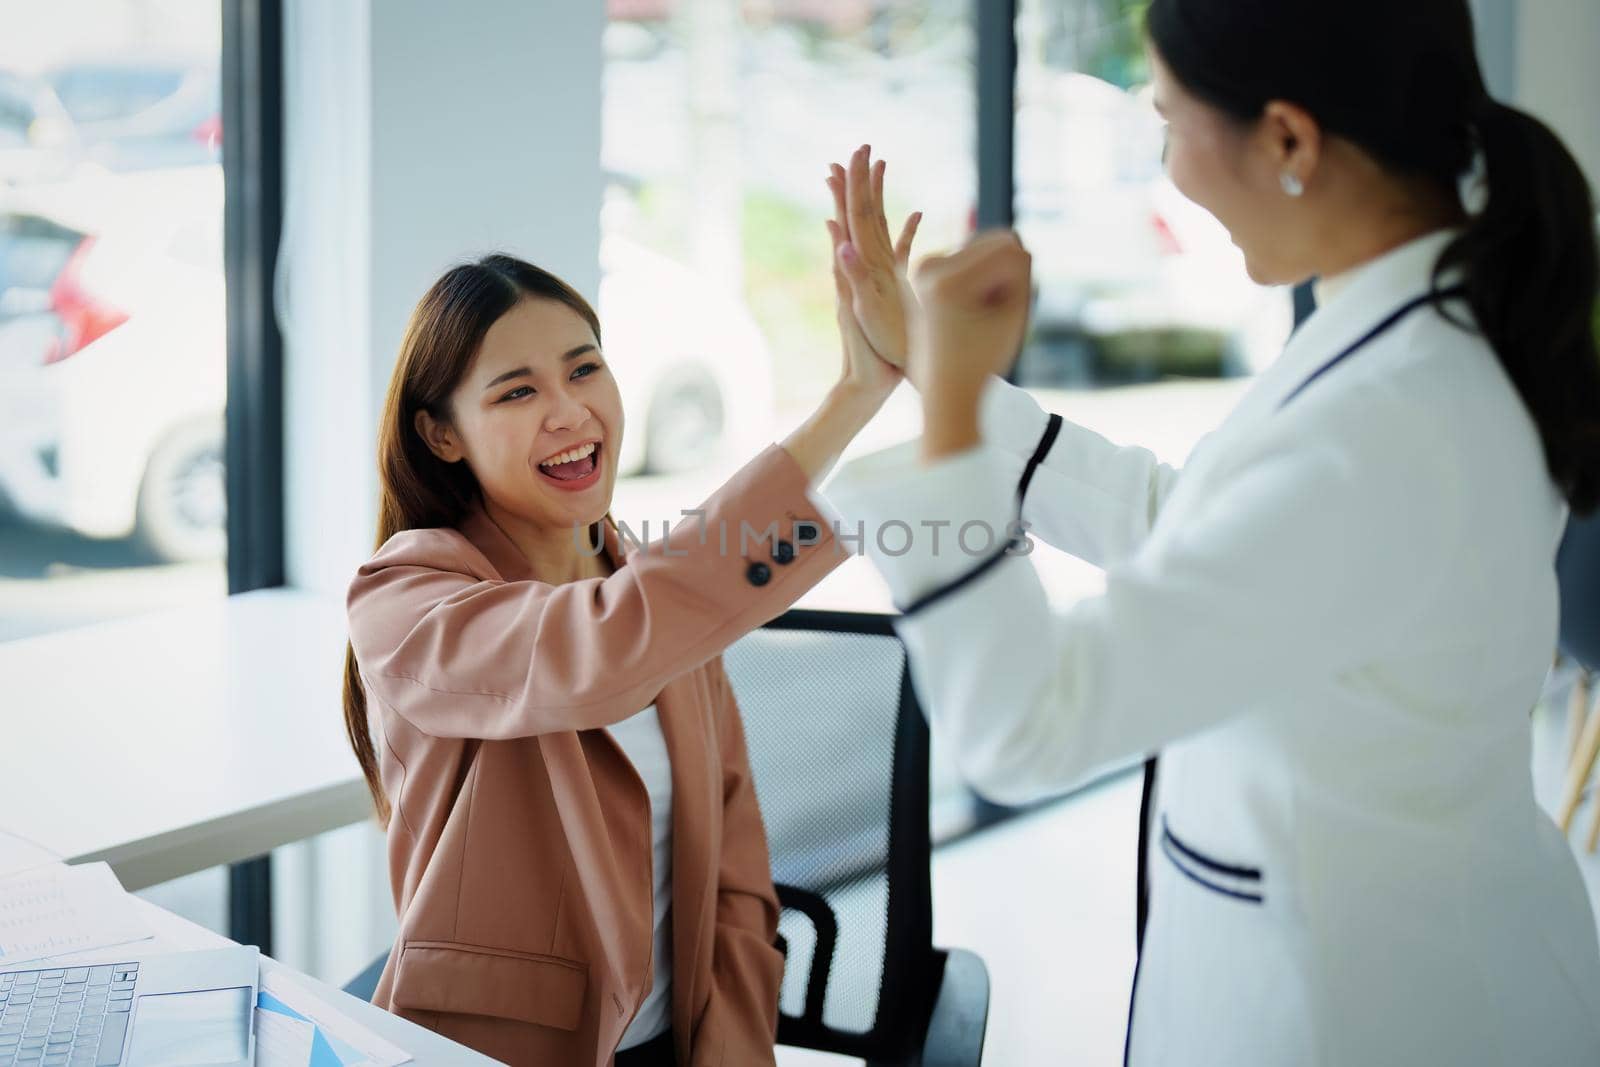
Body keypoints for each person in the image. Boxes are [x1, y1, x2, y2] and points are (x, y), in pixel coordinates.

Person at [816, 2, 1600, 1064]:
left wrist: (952, 410)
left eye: (1167, 124)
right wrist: (930, 360)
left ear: (1287, 138)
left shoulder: (1380, 424)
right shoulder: (1423, 335)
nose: (1169, 176)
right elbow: (1200, 529)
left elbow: (1030, 723)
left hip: (1359, 1013)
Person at [342, 178, 918, 1067]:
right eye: (515, 392)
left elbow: (735, 870)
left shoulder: (649, 589)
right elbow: (597, 651)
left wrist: (731, 1046)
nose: (570, 412)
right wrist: (851, 395)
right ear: (442, 434)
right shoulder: (406, 598)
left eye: (584, 368)